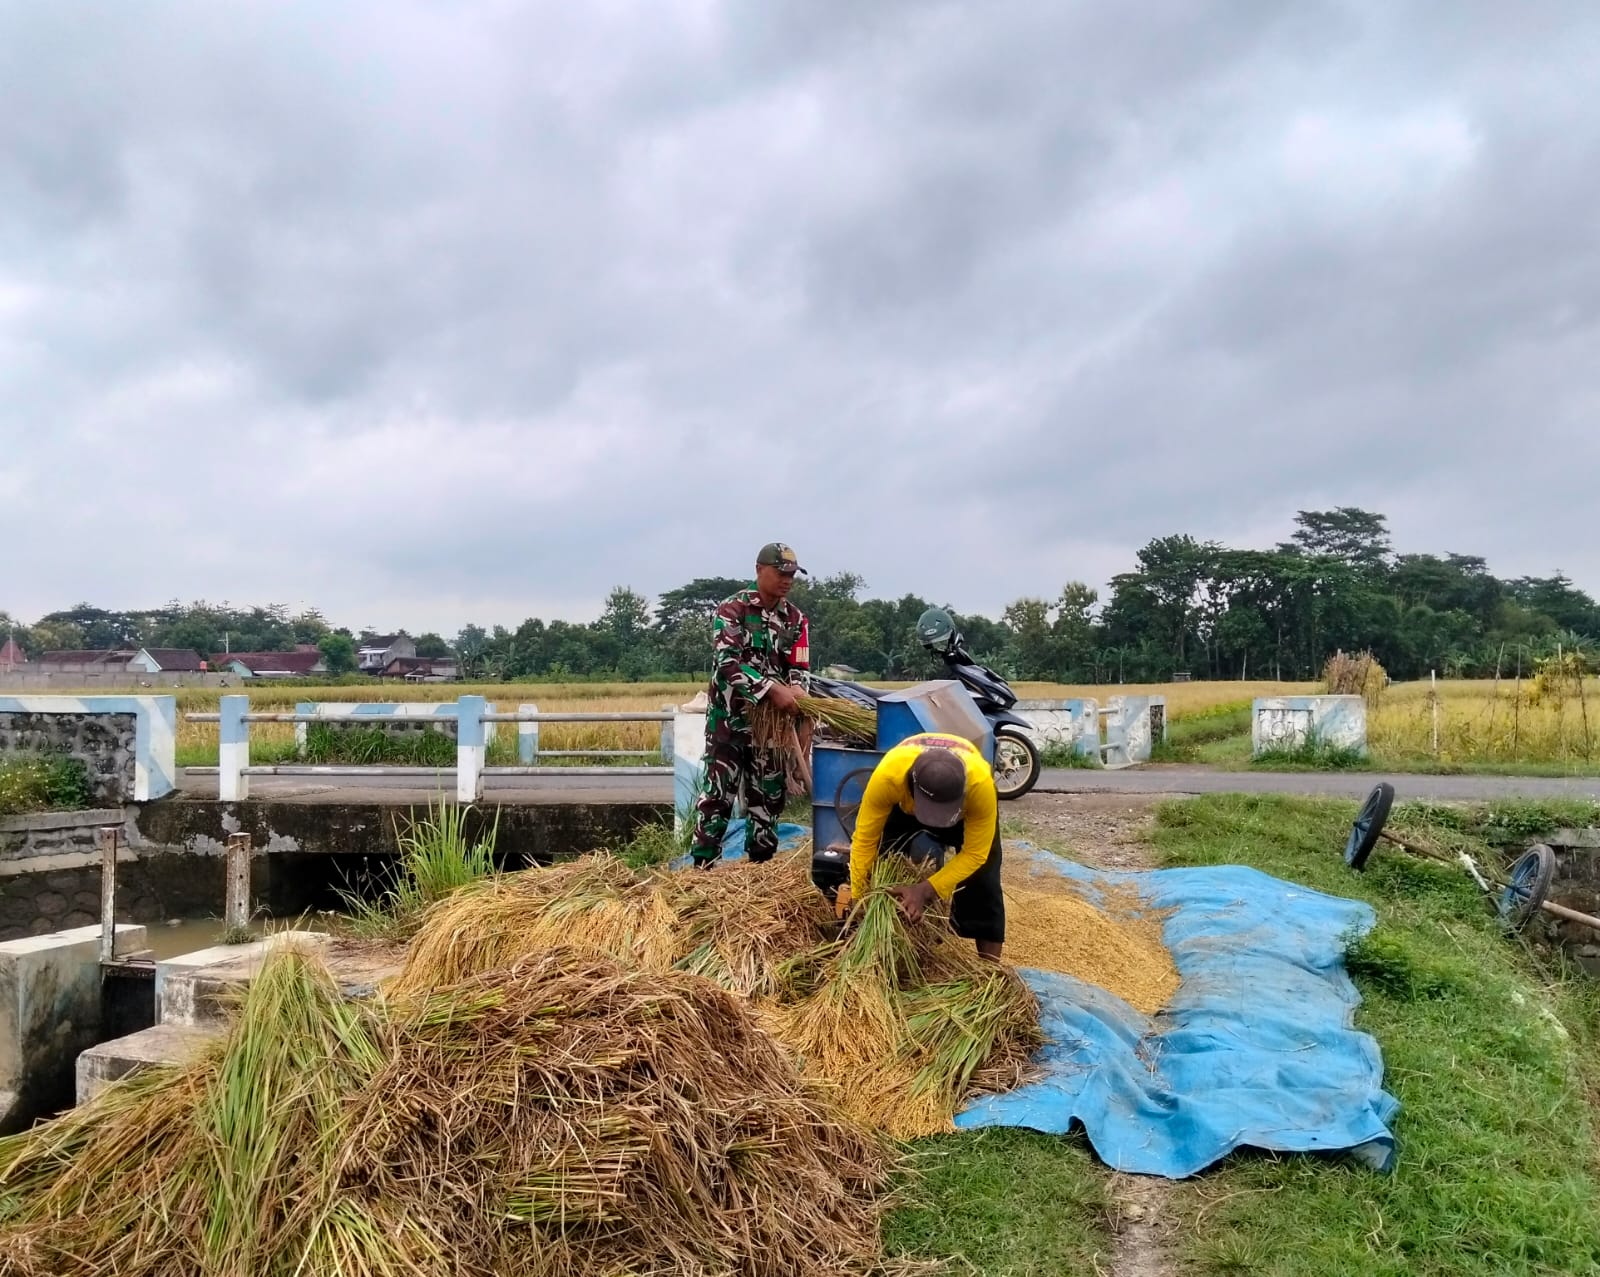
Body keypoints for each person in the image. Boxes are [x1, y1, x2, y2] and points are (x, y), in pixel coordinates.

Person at [690, 542, 812, 868]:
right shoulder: (732, 610)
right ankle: (701, 870)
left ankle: (760, 870)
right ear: (759, 570)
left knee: (768, 799)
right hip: (729, 722)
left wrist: (798, 689)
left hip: (770, 729)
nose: (787, 580)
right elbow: (726, 664)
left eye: (791, 575)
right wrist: (772, 689)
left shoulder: (796, 619)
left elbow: (800, 667)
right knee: (717, 797)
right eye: (780, 573)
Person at [837, 731, 1004, 961]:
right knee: (885, 867)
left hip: (964, 811)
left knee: (984, 879)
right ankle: (888, 947)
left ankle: (990, 971)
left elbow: (976, 854)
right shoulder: (888, 778)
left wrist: (925, 890)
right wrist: (860, 899)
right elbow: (865, 841)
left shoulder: (979, 786)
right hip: (904, 807)